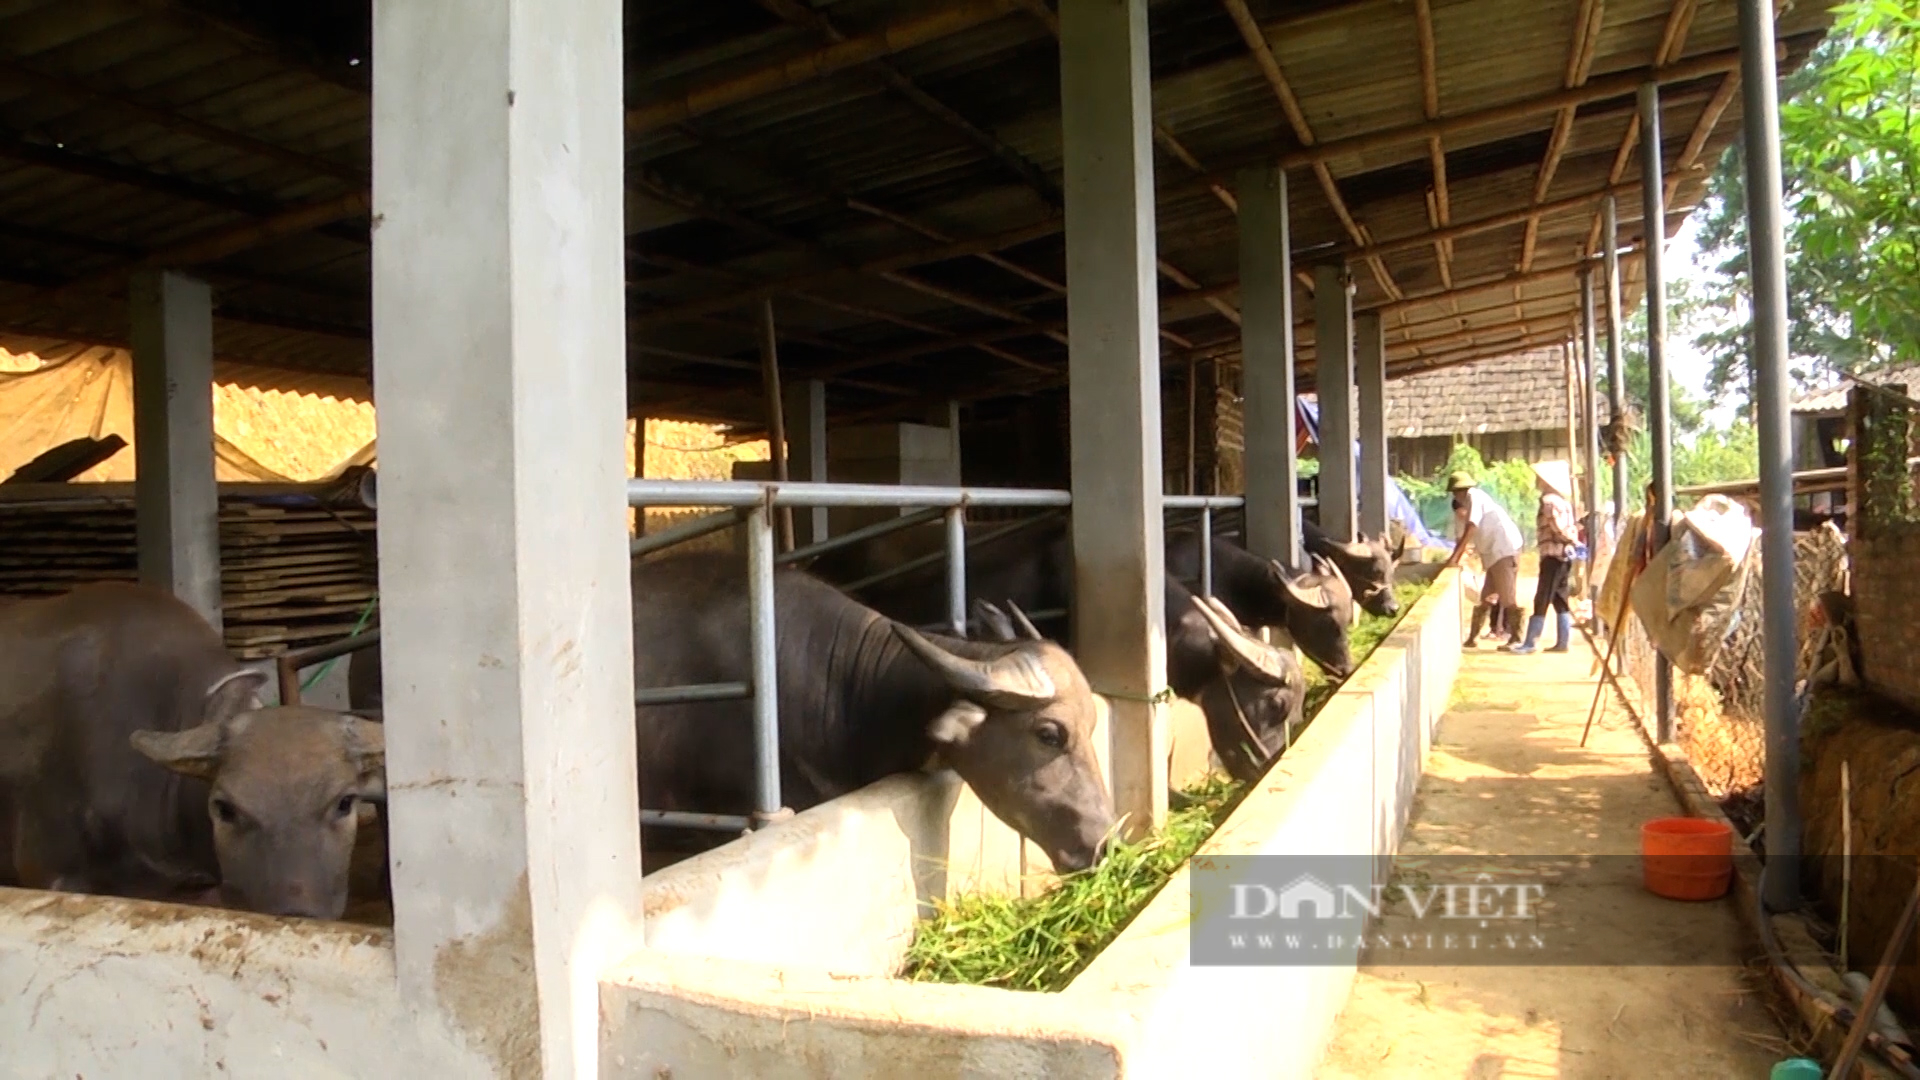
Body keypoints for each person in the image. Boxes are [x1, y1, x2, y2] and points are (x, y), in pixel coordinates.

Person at [1441, 470, 1523, 649]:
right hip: (1491, 555)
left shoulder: (1475, 497)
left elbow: (1471, 528)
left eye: (1459, 491)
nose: (1458, 495)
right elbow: (1459, 537)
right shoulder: (1460, 509)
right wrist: (1455, 558)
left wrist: (1455, 557)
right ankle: (1472, 638)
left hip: (1504, 548)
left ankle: (1516, 637)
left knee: (1507, 596)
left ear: (1463, 490)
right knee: (1486, 597)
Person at [1506, 460, 1577, 655]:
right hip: (1564, 554)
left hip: (1553, 554)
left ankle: (1531, 642)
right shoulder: (1564, 502)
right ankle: (1563, 641)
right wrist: (1573, 542)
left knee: (1542, 597)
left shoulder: (1549, 501)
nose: (1536, 480)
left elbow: (1557, 527)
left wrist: (1567, 539)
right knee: (1560, 598)